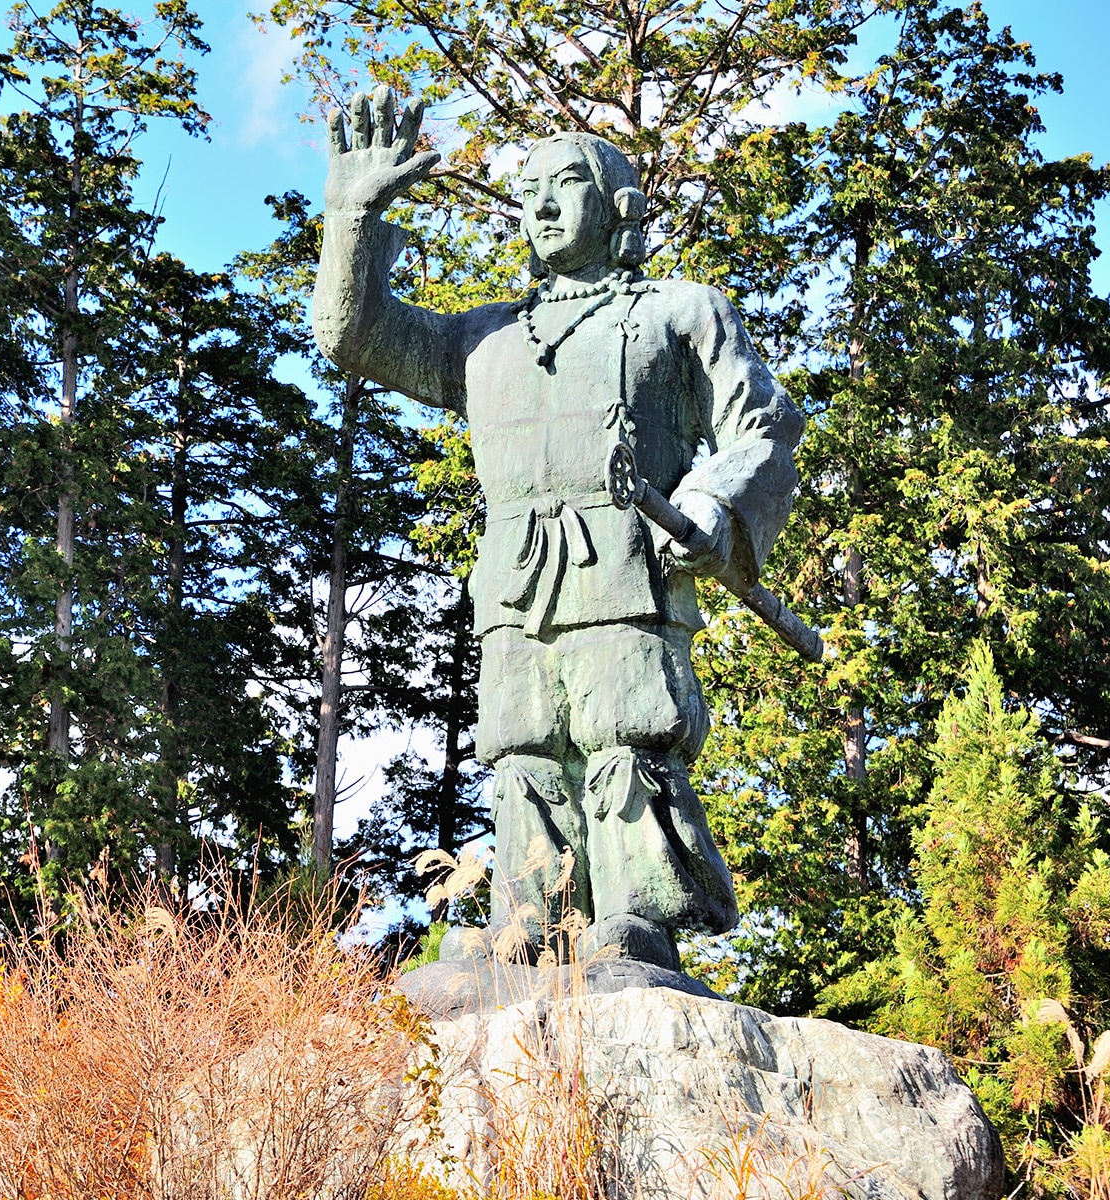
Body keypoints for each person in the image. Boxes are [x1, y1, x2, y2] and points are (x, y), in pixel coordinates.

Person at [313, 87, 805, 969]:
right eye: (527, 189)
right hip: (516, 579)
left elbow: (763, 425)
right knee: (524, 741)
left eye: (563, 183)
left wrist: (712, 504)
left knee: (626, 726)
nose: (538, 203)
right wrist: (351, 221)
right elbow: (356, 335)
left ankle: (635, 914)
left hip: (627, 562)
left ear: (617, 207)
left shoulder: (678, 311)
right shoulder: (485, 338)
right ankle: (530, 918)